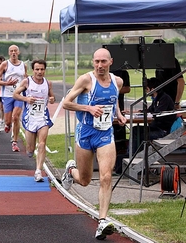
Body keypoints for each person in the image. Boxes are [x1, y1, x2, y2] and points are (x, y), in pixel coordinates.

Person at [61, 48, 127, 240]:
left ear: (110, 62)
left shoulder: (118, 82)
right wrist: (88, 108)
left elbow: (113, 101)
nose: (99, 65)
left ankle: (102, 221)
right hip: (85, 134)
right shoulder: (86, 80)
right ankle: (70, 172)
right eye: (96, 61)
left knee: (106, 176)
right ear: (93, 63)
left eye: (103, 62)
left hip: (105, 134)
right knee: (85, 180)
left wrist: (119, 114)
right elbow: (66, 103)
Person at [13, 59, 55, 182]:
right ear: (33, 70)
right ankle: (30, 150)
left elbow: (51, 96)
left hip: (43, 117)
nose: (39, 71)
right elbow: (15, 95)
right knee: (30, 149)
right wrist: (26, 99)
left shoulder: (48, 83)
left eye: (42, 69)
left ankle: (38, 171)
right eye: (37, 69)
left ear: (45, 70)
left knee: (42, 143)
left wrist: (52, 99)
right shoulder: (27, 81)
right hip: (30, 117)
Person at [0, 45, 27, 152]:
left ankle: (14, 142)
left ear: (18, 52)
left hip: (18, 95)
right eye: (11, 51)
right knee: (8, 121)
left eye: (15, 51)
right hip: (7, 95)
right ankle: (7, 125)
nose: (13, 53)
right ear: (9, 53)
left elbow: (26, 78)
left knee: (16, 117)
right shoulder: (5, 64)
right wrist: (6, 83)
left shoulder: (23, 65)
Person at [132, 77, 177, 154]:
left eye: (146, 89)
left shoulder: (164, 99)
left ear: (152, 89)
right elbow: (149, 110)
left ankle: (138, 154)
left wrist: (148, 114)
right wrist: (133, 112)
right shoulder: (156, 99)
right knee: (135, 130)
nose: (145, 91)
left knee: (142, 135)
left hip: (162, 130)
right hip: (155, 127)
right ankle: (133, 153)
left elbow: (156, 113)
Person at [153, 39, 185, 109]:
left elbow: (181, 81)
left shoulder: (172, 61)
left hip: (171, 99)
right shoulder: (158, 63)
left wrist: (176, 102)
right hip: (162, 99)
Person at [110, 69, 130, 174]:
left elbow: (127, 89)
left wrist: (113, 89)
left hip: (118, 110)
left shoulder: (122, 74)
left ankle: (117, 163)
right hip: (102, 115)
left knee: (119, 136)